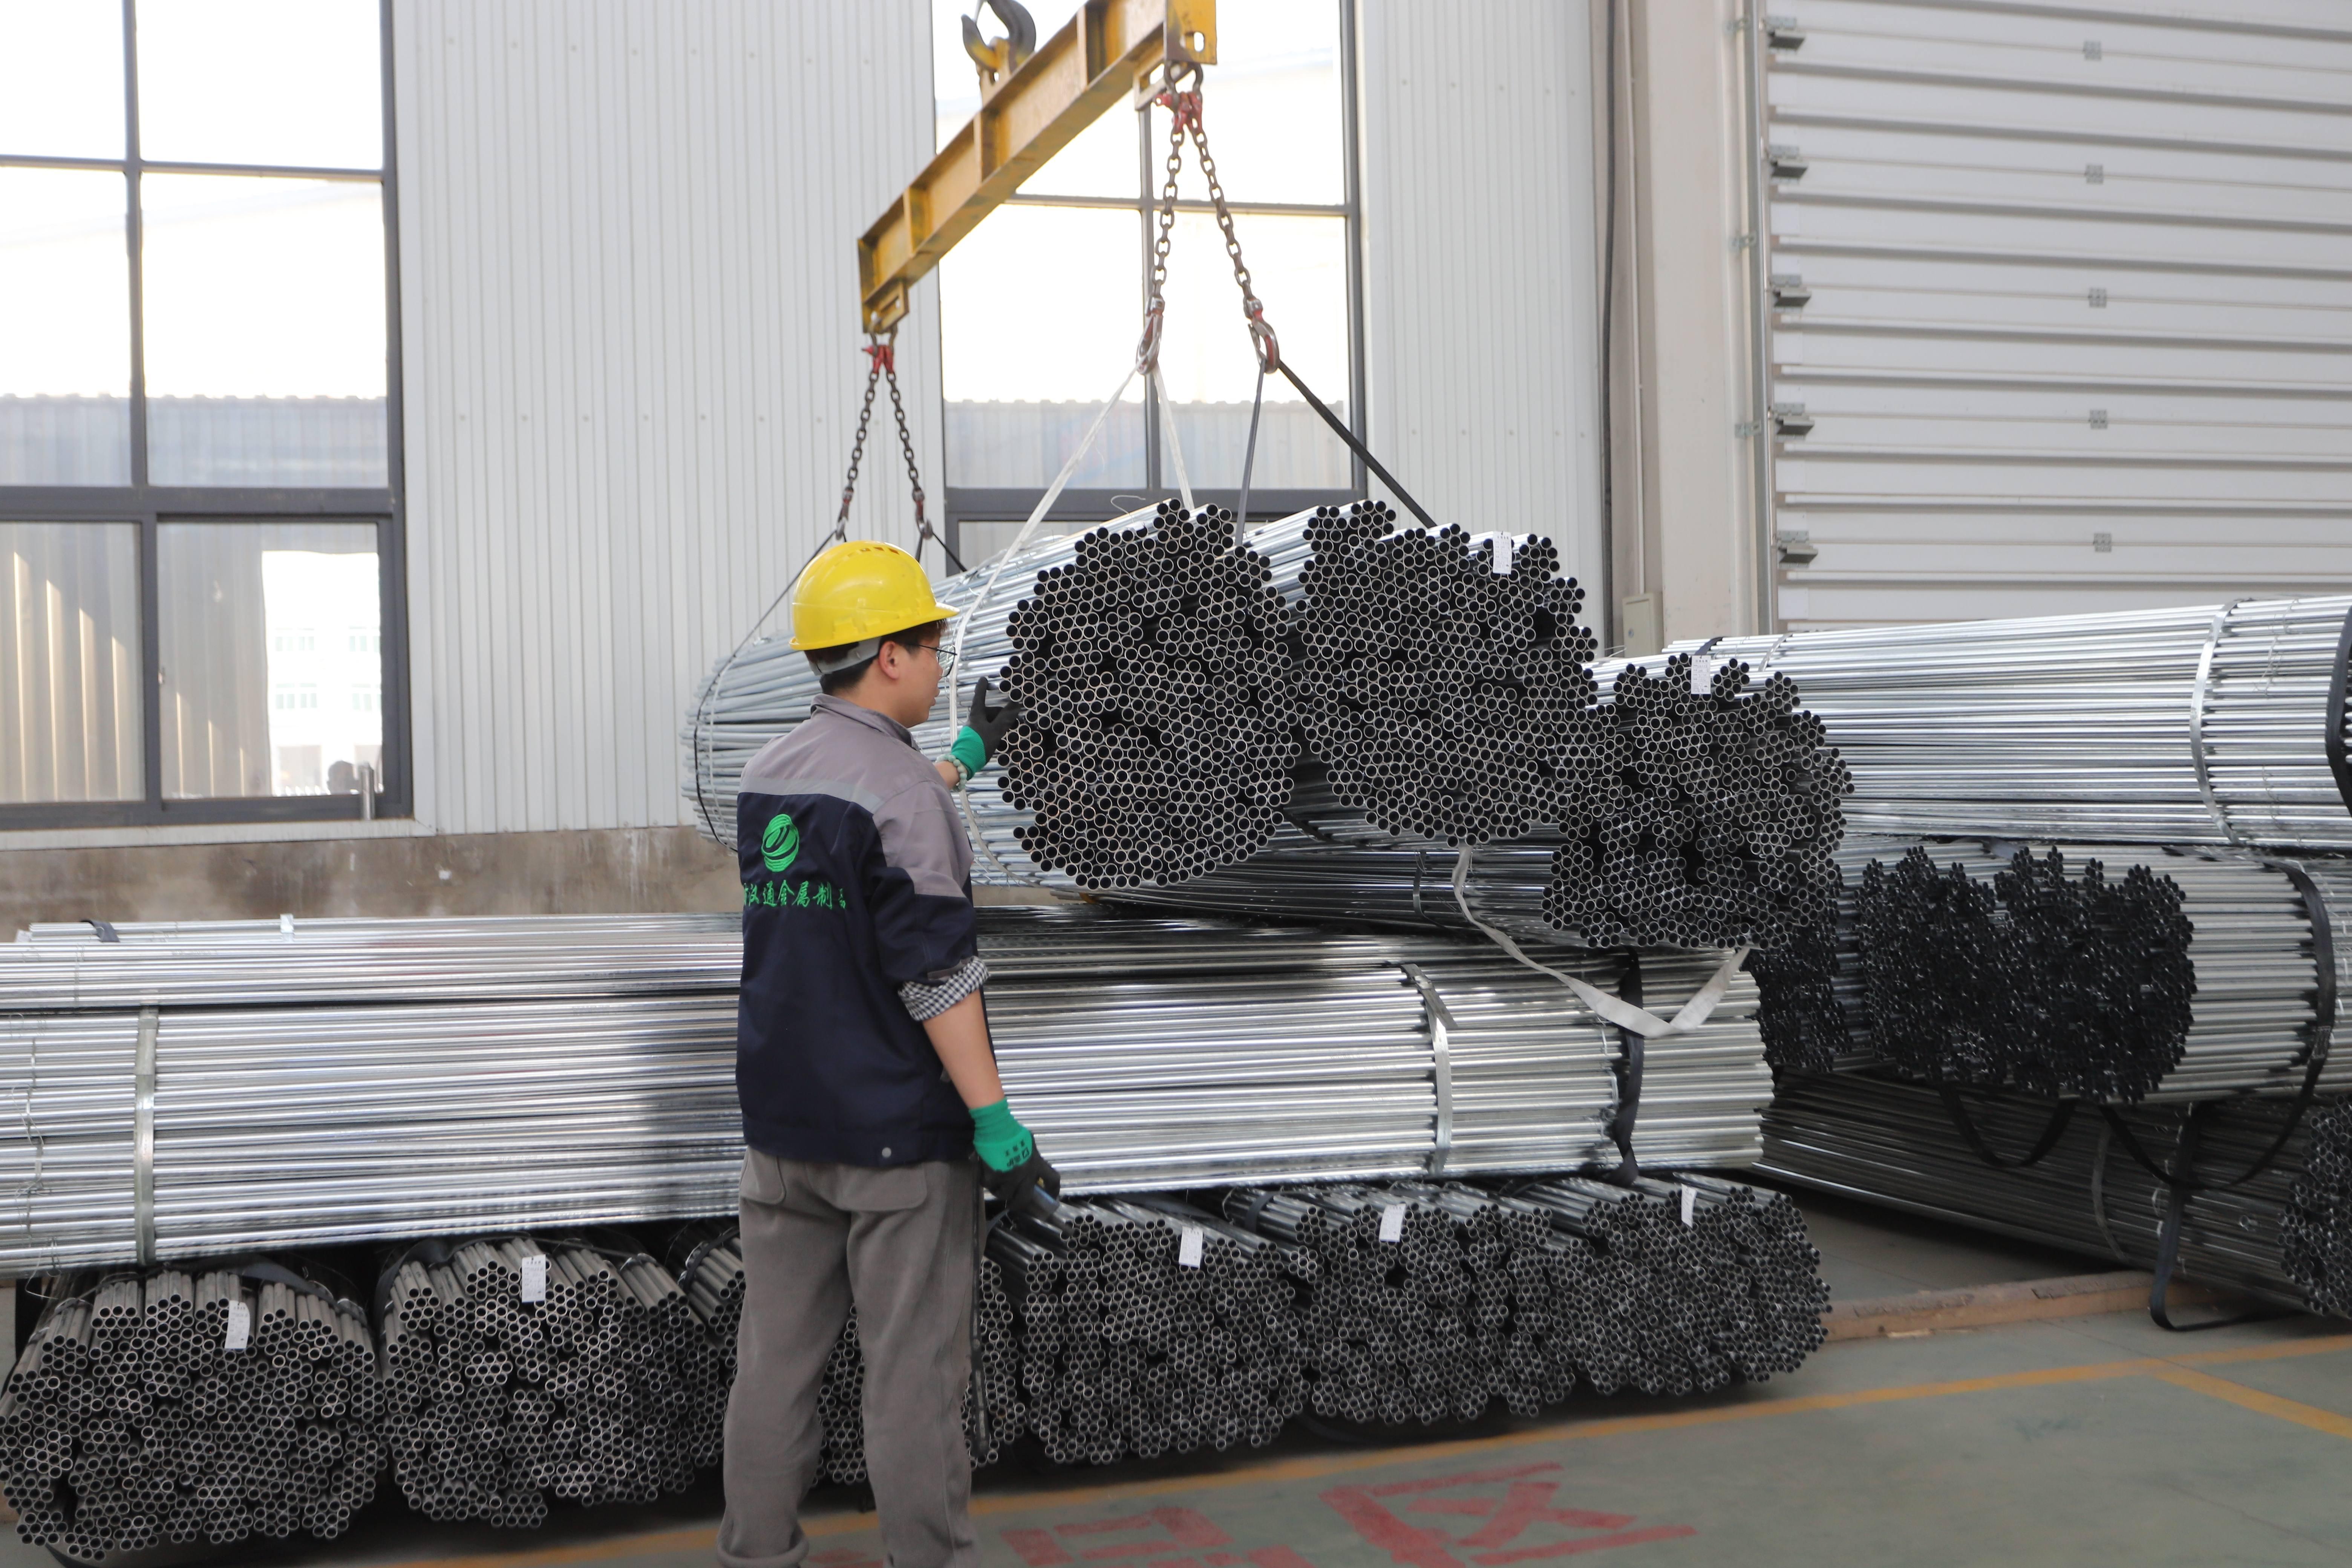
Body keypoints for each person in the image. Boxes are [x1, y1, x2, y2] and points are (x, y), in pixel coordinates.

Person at [719, 539, 1057, 1568]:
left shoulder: (769, 777)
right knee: (913, 1377)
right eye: (931, 646)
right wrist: (997, 1125)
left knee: (775, 1363)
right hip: (896, 1148)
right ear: (890, 658)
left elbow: (869, 832)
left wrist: (965, 759)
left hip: (783, 1135)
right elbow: (938, 977)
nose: (941, 664)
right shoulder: (903, 795)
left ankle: (756, 1554)